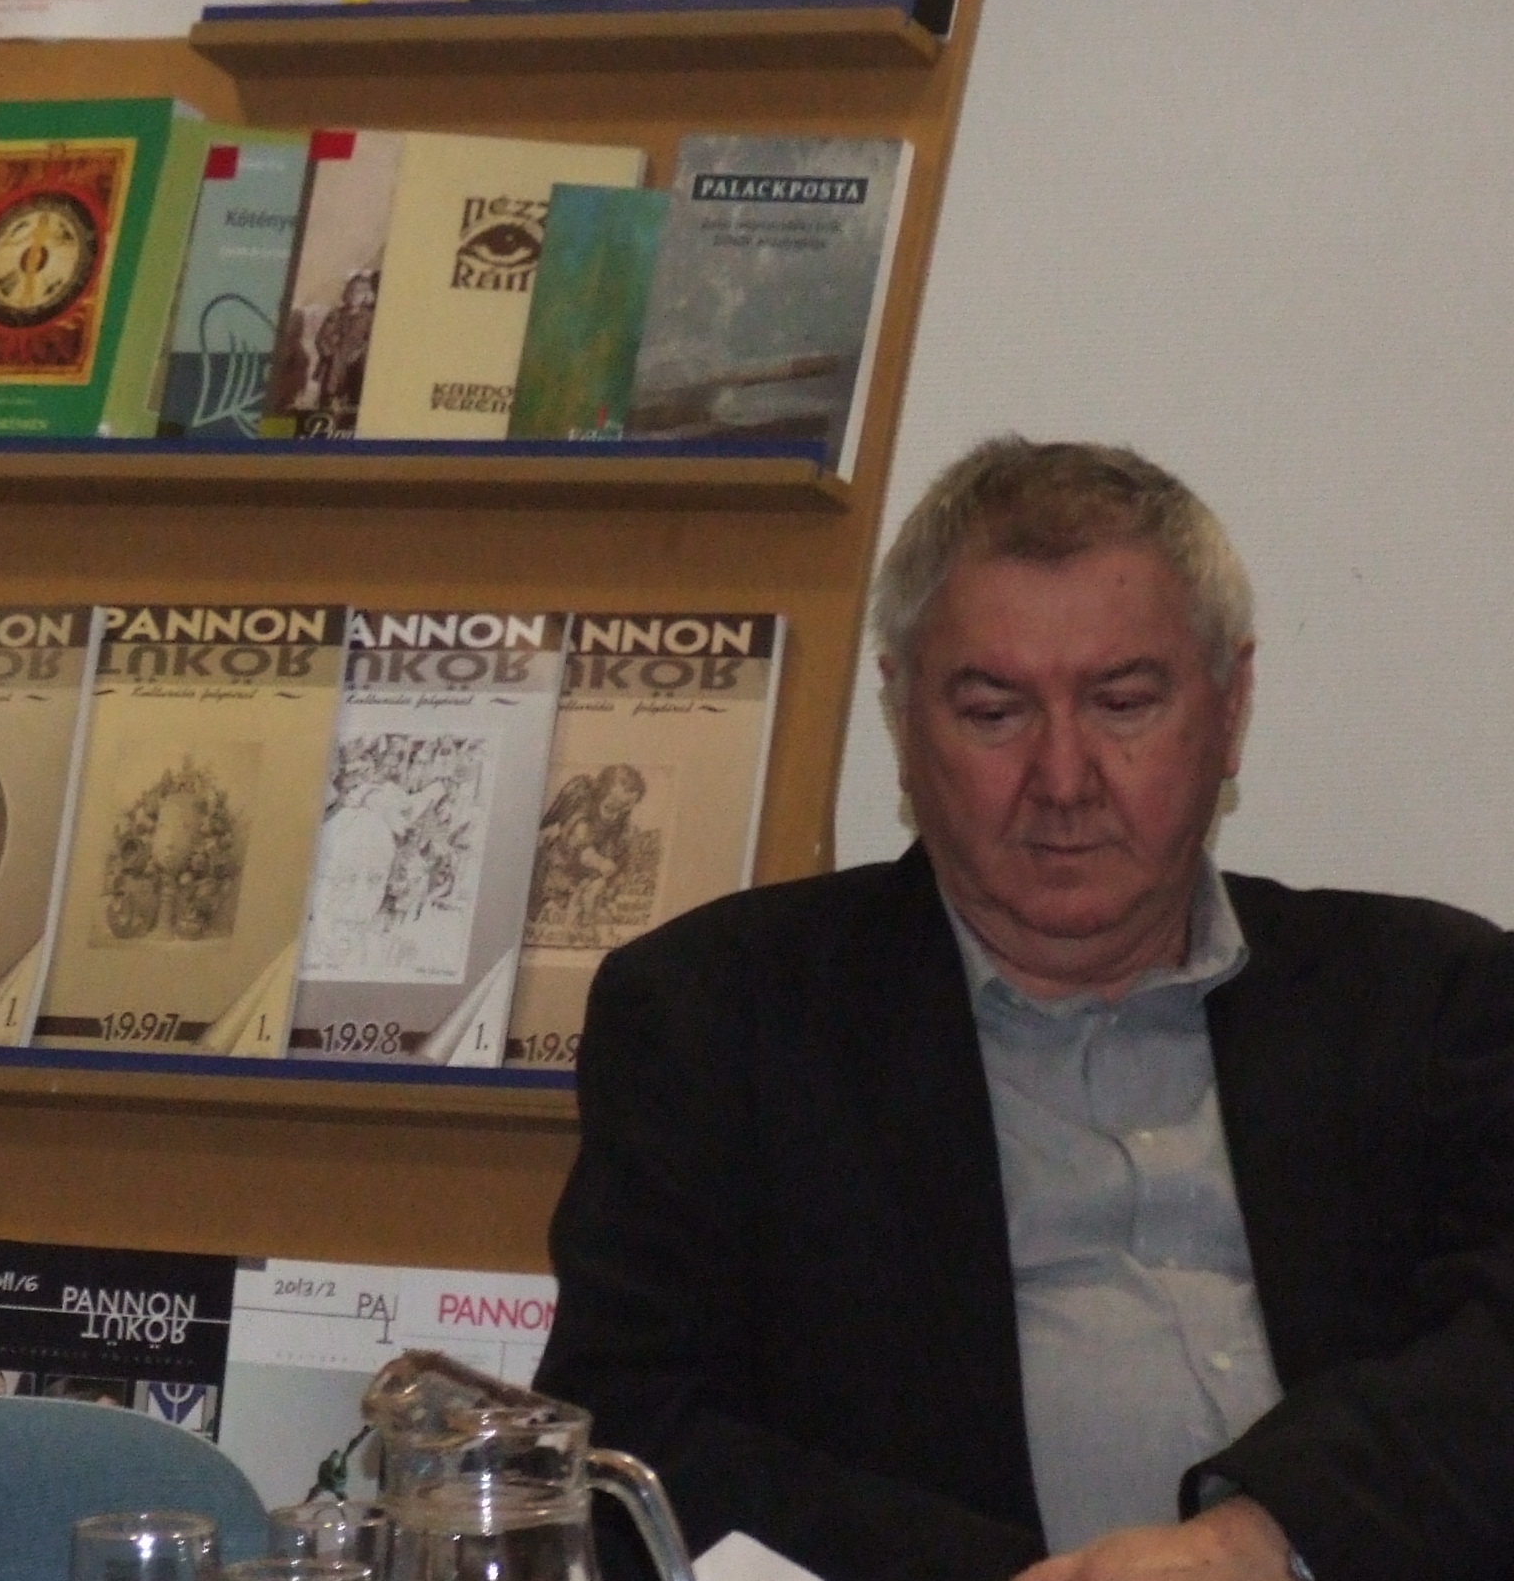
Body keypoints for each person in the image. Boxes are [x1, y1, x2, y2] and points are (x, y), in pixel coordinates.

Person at [537, 437, 1514, 1581]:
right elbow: (627, 1435)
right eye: (993, 711)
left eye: (1121, 703)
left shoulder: (1431, 998)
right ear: (901, 718)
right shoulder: (715, 1018)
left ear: (1230, 707)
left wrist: (1262, 1540)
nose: (1061, 779)